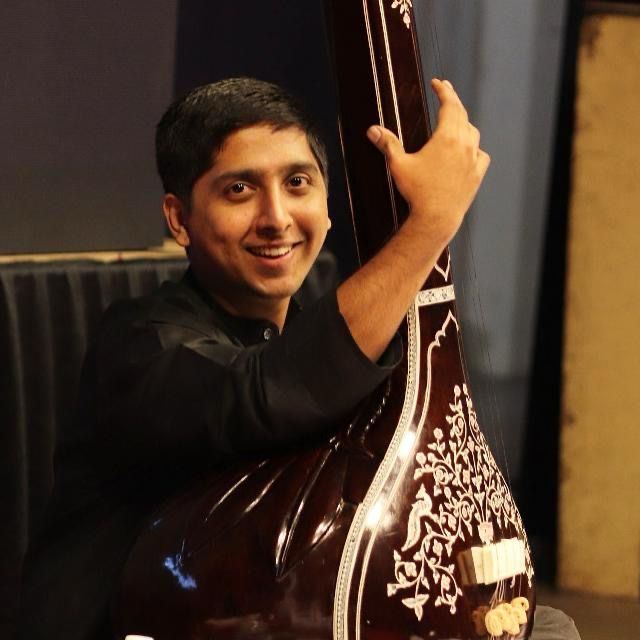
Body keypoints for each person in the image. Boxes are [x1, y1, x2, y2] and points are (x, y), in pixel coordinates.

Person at [18, 77, 578, 640]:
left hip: (268, 619)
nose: (277, 217)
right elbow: (268, 391)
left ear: (327, 206)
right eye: (239, 189)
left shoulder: (312, 330)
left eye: (297, 183)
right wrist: (430, 222)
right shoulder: (141, 344)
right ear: (179, 219)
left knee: (545, 627)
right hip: (135, 626)